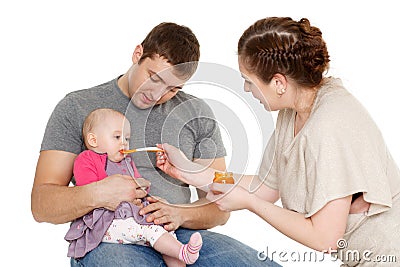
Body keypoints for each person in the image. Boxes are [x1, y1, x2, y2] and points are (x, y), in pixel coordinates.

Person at [156, 17, 400, 266]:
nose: (246, 88)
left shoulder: (329, 126)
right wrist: (192, 171)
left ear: (278, 82)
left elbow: (325, 237)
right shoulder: (293, 110)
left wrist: (250, 204)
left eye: (249, 80)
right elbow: (264, 186)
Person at [31, 22, 279, 266]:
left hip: (178, 234)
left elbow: (220, 201)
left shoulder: (196, 113)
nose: (157, 94)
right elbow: (41, 204)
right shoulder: (77, 106)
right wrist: (100, 193)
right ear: (137, 54)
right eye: (153, 78)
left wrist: (180, 213)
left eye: (173, 88)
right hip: (110, 238)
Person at [65, 108, 202, 266]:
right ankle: (183, 252)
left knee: (164, 228)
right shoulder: (87, 158)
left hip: (130, 214)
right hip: (107, 220)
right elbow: (90, 190)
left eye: (127, 138)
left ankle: (180, 258)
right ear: (93, 140)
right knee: (151, 231)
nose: (124, 142)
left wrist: (147, 194)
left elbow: (138, 188)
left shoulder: (127, 161)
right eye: (117, 137)